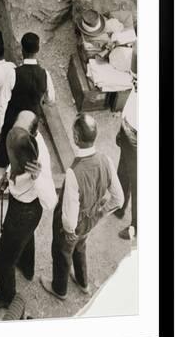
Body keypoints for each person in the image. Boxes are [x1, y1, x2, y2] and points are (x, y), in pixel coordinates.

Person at [40, 113, 124, 300]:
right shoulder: (106, 160)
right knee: (80, 247)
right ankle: (83, 282)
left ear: (76, 138)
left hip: (74, 224)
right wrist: (99, 214)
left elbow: (69, 213)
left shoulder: (73, 172)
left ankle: (59, 289)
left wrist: (69, 229)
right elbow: (119, 199)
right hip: (90, 218)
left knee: (62, 253)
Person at [0, 111, 57, 310]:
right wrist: (7, 176)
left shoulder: (41, 161)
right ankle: (27, 267)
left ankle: (6, 297)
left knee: (2, 259)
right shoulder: (23, 141)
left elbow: (50, 202)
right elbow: (15, 156)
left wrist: (37, 177)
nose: (14, 135)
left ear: (34, 133)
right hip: (19, 203)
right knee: (26, 237)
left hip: (27, 211)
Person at [0, 32, 56, 167]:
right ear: (38, 50)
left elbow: (2, 104)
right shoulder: (45, 74)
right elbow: (51, 100)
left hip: (13, 119)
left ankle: (4, 163)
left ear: (22, 50)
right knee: (27, 145)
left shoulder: (14, 73)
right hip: (32, 120)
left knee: (7, 145)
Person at [114, 41, 137, 240]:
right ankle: (120, 205)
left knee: (138, 183)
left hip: (139, 140)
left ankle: (136, 226)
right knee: (123, 170)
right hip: (129, 132)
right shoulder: (137, 87)